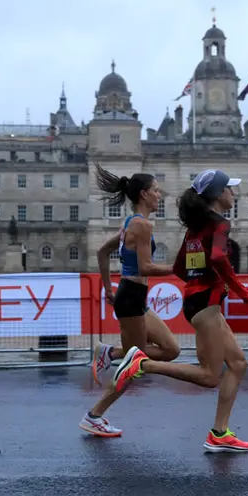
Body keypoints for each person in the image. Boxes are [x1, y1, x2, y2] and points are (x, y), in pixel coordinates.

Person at [111, 169, 248, 453]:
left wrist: (201, 279)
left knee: (238, 364)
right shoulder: (220, 225)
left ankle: (220, 433)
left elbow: (179, 267)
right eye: (229, 189)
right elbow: (217, 258)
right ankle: (142, 364)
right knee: (210, 376)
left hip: (197, 302)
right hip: (205, 305)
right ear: (216, 194)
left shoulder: (194, 228)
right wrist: (240, 290)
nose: (233, 194)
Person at [80, 164, 180, 438]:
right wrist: (179, 268)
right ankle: (94, 416)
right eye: (157, 191)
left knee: (171, 350)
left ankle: (109, 352)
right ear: (144, 194)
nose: (160, 196)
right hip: (131, 297)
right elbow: (146, 267)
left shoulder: (129, 223)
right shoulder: (142, 225)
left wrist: (108, 290)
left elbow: (102, 252)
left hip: (131, 296)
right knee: (133, 365)